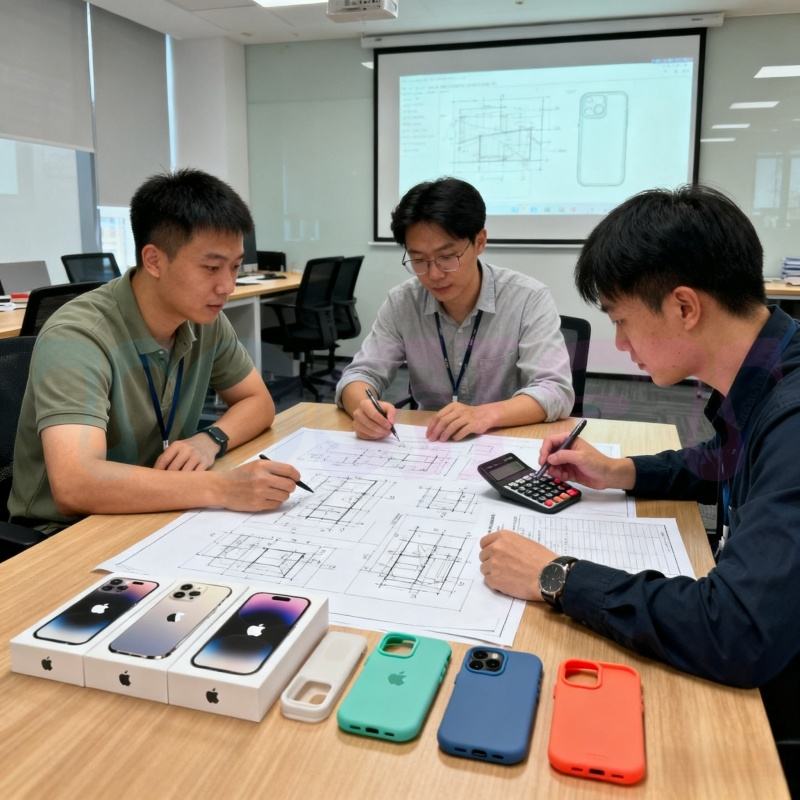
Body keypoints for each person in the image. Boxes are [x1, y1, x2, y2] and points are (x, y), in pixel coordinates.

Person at [478, 185, 800, 783]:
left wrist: (558, 576)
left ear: (684, 307)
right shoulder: (771, 370)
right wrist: (621, 471)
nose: (621, 344)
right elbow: (727, 459)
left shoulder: (793, 417)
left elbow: (736, 631)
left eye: (621, 320)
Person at [9, 169, 301, 532]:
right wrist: (222, 487)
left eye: (235, 266)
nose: (227, 286)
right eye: (212, 267)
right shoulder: (78, 336)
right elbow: (76, 484)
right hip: (64, 531)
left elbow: (258, 402)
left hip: (156, 505)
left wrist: (209, 440)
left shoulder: (203, 320)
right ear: (154, 261)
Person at [336, 177, 574, 442]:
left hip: (505, 440)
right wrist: (364, 407)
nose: (434, 274)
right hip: (432, 443)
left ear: (480, 242)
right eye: (419, 260)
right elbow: (360, 374)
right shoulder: (403, 302)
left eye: (447, 257)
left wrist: (485, 415)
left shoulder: (527, 298)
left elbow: (556, 390)